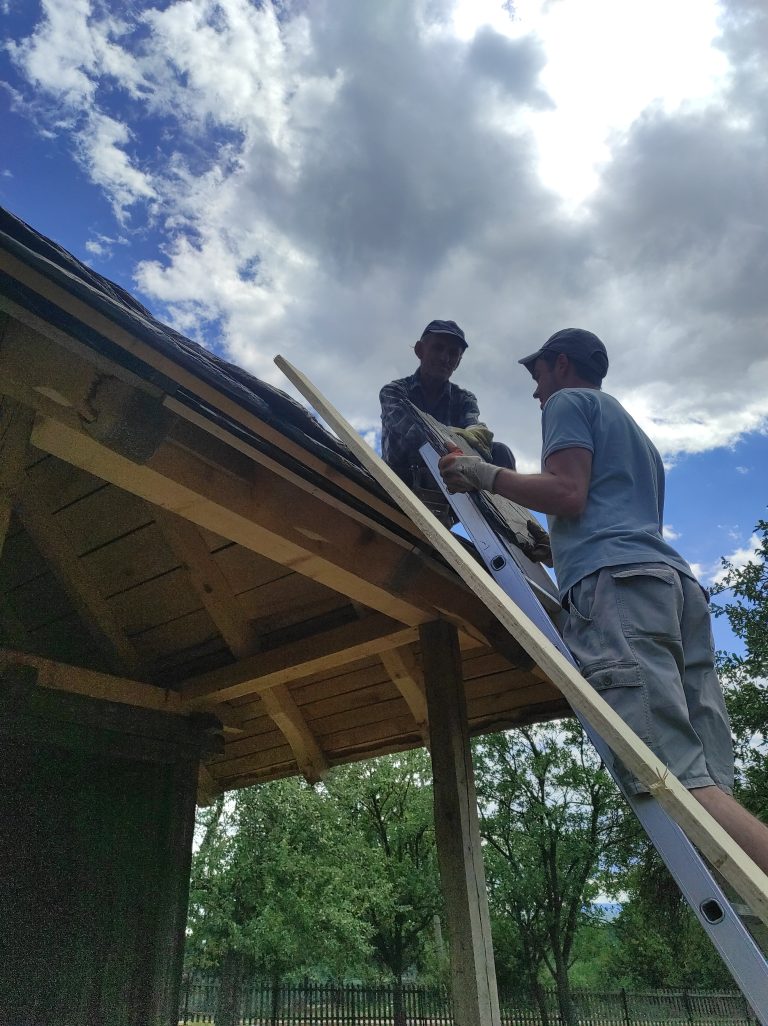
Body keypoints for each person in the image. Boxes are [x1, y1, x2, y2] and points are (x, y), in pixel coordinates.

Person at [438, 327, 768, 875]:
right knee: (709, 783)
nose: (536, 392)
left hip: (620, 591)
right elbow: (602, 511)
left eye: (537, 376)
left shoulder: (568, 403)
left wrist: (481, 473)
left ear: (560, 365)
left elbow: (568, 493)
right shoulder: (634, 433)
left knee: (674, 780)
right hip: (671, 587)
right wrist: (555, 547)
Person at [380, 319, 516, 488]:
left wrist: (477, 437)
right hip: (402, 479)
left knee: (500, 451)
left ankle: (503, 509)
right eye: (438, 348)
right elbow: (409, 432)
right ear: (420, 350)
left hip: (449, 476)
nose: (445, 358)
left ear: (458, 362)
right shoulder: (394, 391)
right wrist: (449, 444)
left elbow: (474, 431)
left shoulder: (464, 399)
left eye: (453, 353)